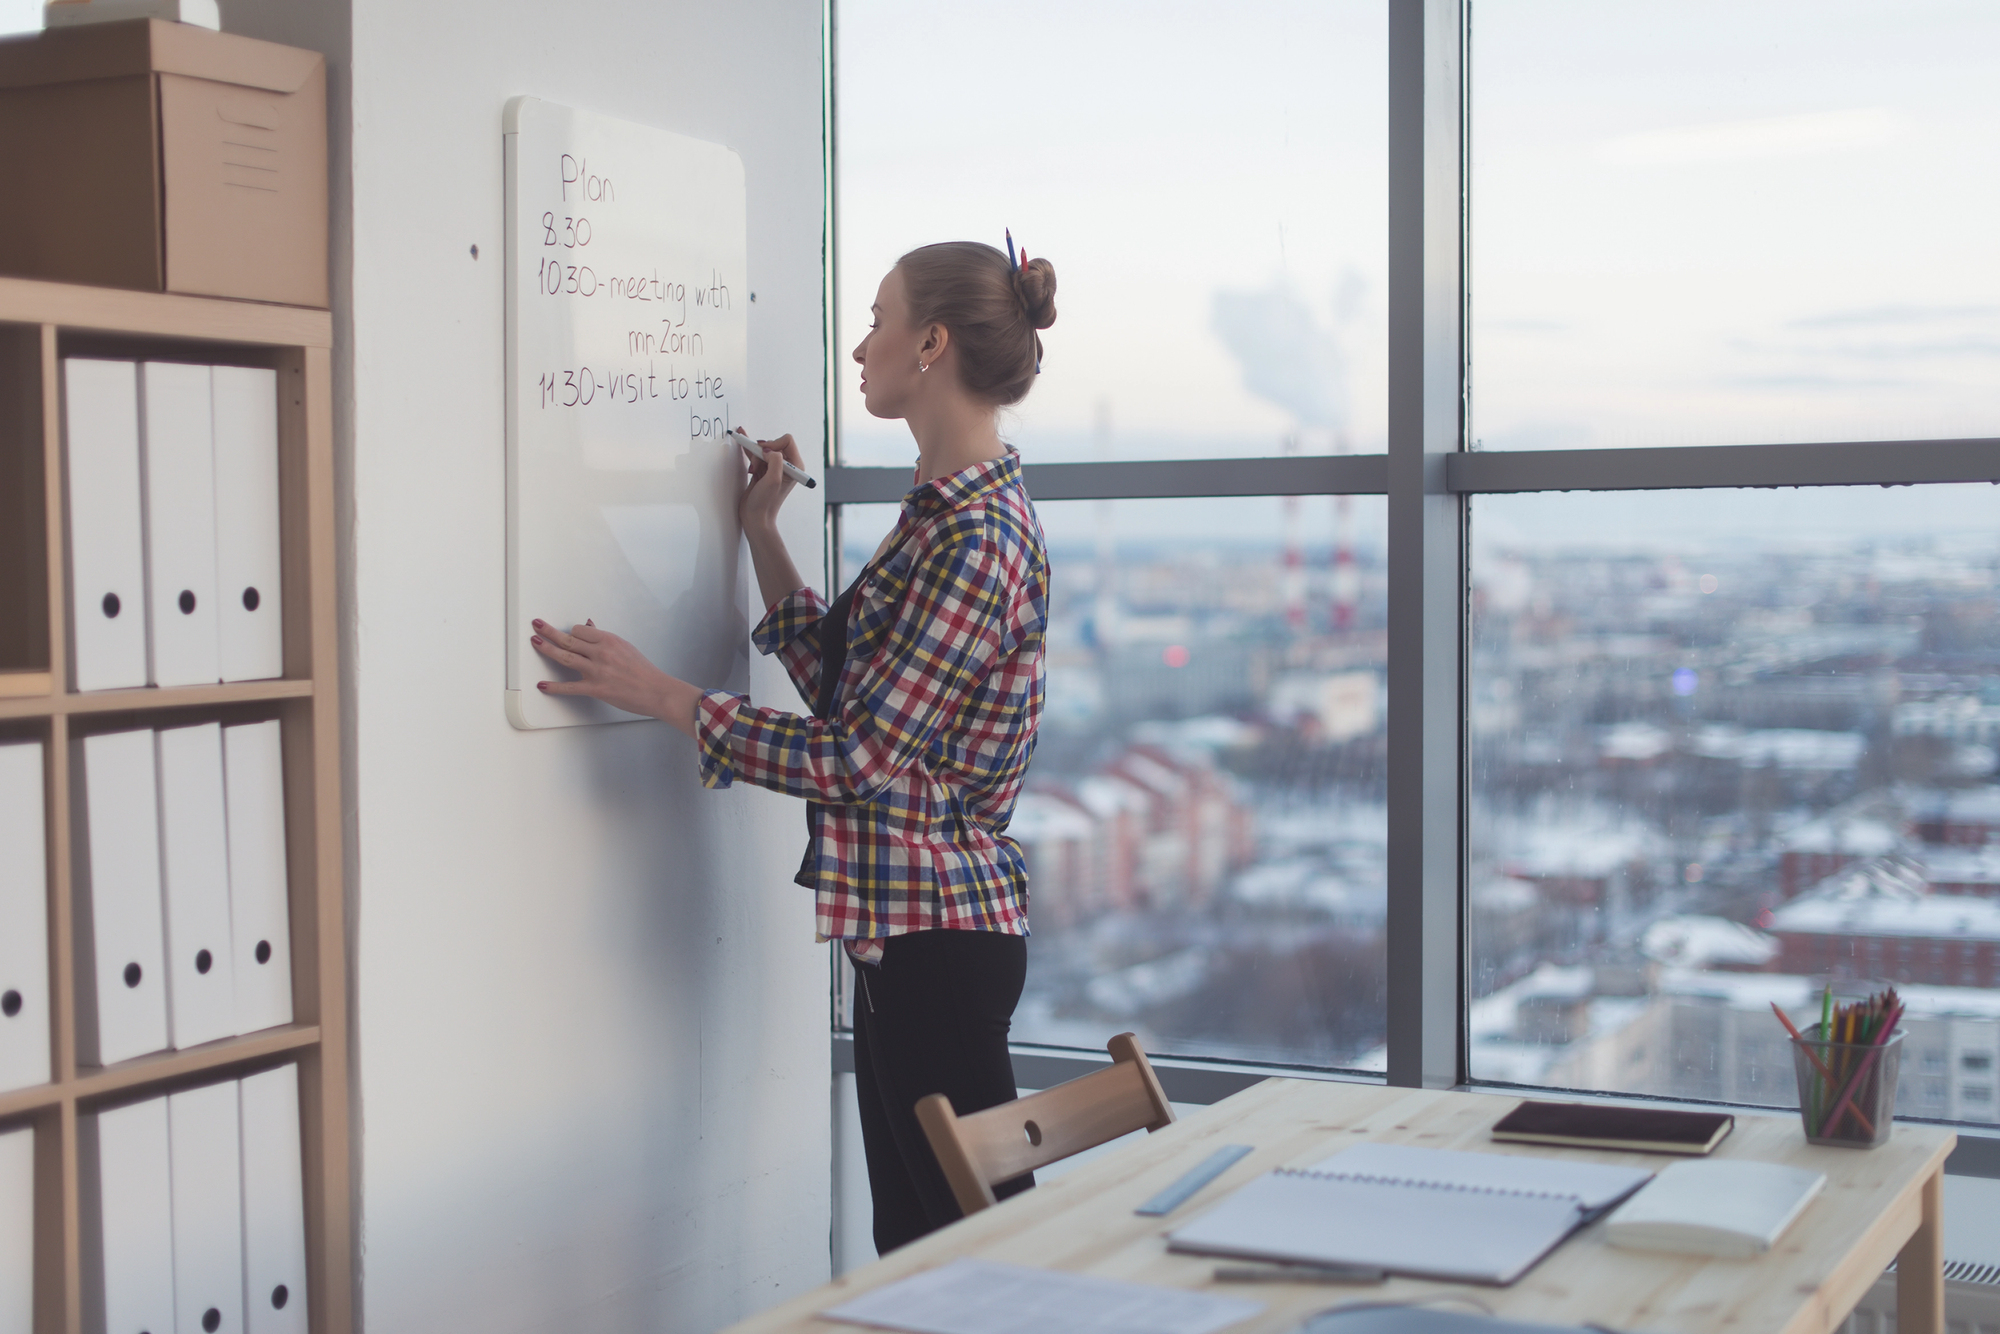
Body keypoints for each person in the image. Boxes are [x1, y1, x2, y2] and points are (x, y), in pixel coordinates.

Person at [529, 236, 1058, 1253]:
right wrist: (765, 534)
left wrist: (667, 693)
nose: (860, 348)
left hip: (939, 942)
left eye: (877, 319)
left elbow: (854, 757)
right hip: (911, 933)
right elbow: (853, 701)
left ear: (930, 343)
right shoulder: (943, 516)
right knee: (918, 1249)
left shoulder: (972, 539)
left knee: (965, 1265)